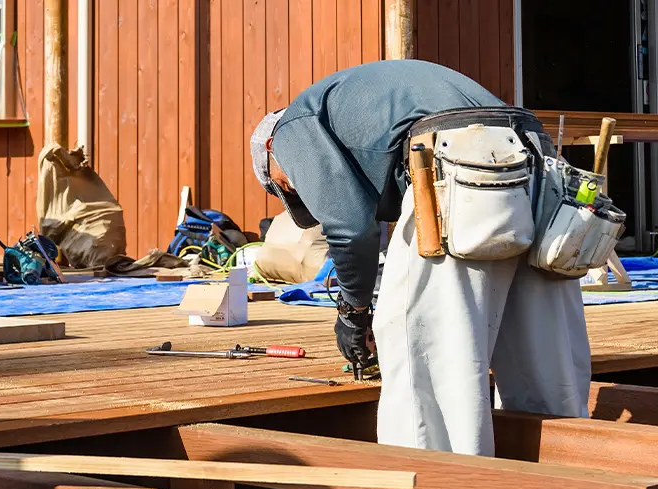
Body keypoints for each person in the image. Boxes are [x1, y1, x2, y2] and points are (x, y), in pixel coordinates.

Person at [249, 59, 593, 457]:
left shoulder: (292, 126)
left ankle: (439, 481)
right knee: (543, 363)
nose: (297, 191)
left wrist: (353, 312)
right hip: (535, 163)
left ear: (271, 150)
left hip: (461, 168)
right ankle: (568, 472)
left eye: (286, 185)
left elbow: (351, 229)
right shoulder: (363, 102)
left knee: (428, 360)